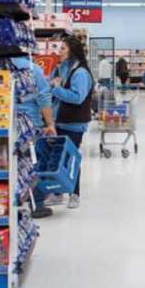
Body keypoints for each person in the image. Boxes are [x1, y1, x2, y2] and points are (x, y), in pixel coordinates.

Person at [5, 54, 58, 219]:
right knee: (33, 164)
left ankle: (5, 204)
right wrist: (50, 124)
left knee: (7, 165)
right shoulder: (33, 69)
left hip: (2, 124)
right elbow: (44, 99)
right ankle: (37, 205)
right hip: (29, 126)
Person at [50, 36, 94, 209]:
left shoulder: (81, 73)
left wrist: (56, 89)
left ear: (72, 51)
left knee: (70, 158)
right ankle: (58, 193)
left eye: (63, 48)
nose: (59, 51)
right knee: (58, 158)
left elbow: (77, 97)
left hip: (74, 123)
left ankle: (74, 194)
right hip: (59, 121)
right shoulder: (62, 68)